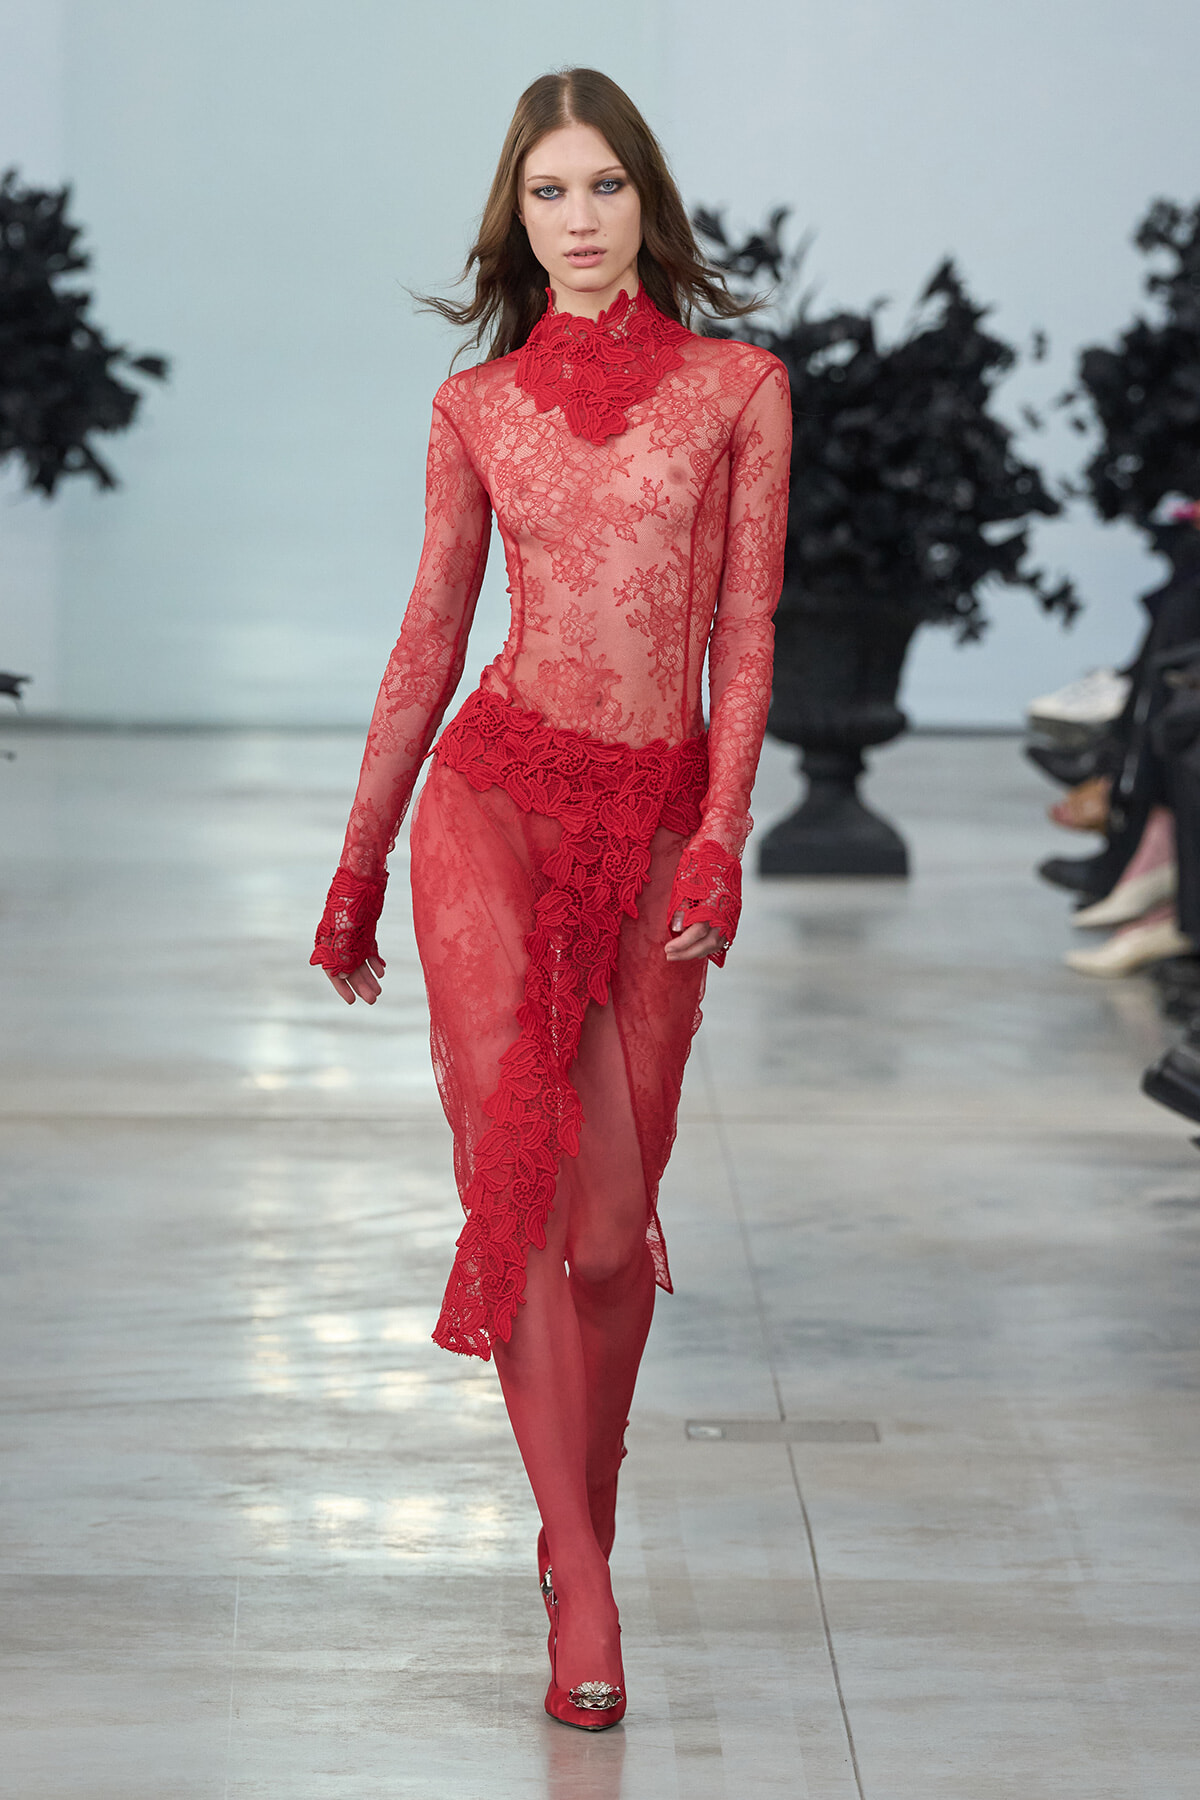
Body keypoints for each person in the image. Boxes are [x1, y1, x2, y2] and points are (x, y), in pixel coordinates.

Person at [311, 67, 790, 1731]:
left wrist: (723, 837)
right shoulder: (479, 412)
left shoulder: (740, 390)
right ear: (515, 219)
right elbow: (427, 644)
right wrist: (362, 863)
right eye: (545, 196)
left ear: (646, 199)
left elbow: (743, 635)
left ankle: (579, 1510)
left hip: (655, 831)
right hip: (491, 811)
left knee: (608, 1229)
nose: (576, 223)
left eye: (601, 189)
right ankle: (580, 1575)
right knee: (528, 1192)